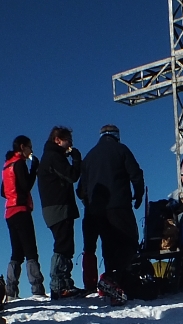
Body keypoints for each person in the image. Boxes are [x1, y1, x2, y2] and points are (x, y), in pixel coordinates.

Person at [77, 124, 145, 295]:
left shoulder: (90, 156)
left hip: (96, 210)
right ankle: (119, 278)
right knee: (129, 241)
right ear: (116, 135)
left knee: (108, 245)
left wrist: (89, 203)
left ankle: (111, 285)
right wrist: (139, 194)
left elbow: (80, 189)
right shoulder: (121, 150)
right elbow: (135, 174)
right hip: (119, 205)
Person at [36, 125, 86, 299]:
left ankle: (64, 282)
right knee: (63, 244)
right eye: (68, 141)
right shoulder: (53, 157)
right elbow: (71, 176)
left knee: (65, 244)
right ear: (57, 140)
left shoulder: (50, 157)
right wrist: (77, 161)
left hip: (55, 208)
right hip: (58, 207)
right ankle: (58, 284)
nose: (70, 145)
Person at [1, 135, 46, 298]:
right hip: (21, 209)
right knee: (30, 250)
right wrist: (34, 168)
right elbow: (26, 185)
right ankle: (37, 288)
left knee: (17, 252)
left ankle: (10, 289)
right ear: (22, 147)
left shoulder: (7, 165)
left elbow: (2, 191)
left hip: (9, 212)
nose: (31, 150)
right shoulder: (19, 163)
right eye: (29, 147)